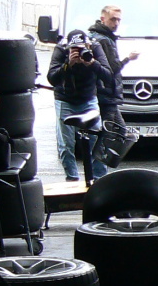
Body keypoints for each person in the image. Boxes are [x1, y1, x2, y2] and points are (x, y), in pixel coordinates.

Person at [47, 28, 111, 182]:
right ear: (68, 47)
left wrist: (92, 63)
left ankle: (99, 179)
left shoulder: (95, 47)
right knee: (66, 145)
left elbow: (108, 75)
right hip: (65, 99)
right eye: (74, 49)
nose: (79, 52)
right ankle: (72, 179)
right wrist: (67, 65)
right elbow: (52, 78)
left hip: (88, 99)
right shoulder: (61, 49)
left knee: (97, 141)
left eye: (82, 48)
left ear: (87, 45)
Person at [87, 4, 139, 180]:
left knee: (117, 132)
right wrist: (128, 59)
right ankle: (98, 175)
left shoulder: (100, 37)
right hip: (106, 94)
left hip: (105, 94)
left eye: (118, 20)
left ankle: (99, 172)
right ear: (103, 19)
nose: (116, 23)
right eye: (113, 19)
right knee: (111, 134)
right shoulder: (104, 40)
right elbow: (111, 70)